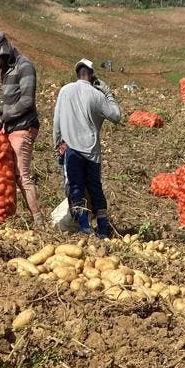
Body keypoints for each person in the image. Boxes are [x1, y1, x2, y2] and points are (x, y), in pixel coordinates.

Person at [52, 58, 121, 238]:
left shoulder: (65, 91)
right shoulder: (96, 95)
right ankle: (103, 229)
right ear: (91, 76)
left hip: (72, 149)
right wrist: (107, 93)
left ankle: (84, 227)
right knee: (95, 188)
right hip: (92, 151)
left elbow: (57, 123)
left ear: (77, 74)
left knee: (75, 187)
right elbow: (116, 116)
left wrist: (56, 145)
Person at [0, 31, 40, 219]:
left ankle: (39, 220)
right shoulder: (6, 70)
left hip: (24, 126)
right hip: (11, 127)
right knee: (8, 175)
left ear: (3, 51)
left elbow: (26, 102)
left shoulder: (25, 66)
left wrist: (1, 119)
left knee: (22, 176)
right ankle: (7, 213)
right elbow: (9, 103)